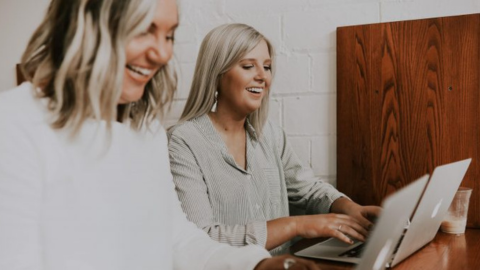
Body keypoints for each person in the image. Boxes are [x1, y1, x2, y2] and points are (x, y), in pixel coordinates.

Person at [0, 1, 319, 269]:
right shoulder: (15, 124)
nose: (162, 53)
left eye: (169, 35)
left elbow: (176, 238)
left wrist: (256, 264)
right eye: (143, 31)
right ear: (87, 26)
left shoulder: (145, 129)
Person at [168, 23, 382, 255]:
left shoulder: (270, 134)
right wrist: (296, 225)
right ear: (217, 73)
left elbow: (307, 189)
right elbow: (203, 238)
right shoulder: (183, 142)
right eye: (248, 66)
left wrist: (350, 208)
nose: (262, 76)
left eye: (267, 67)